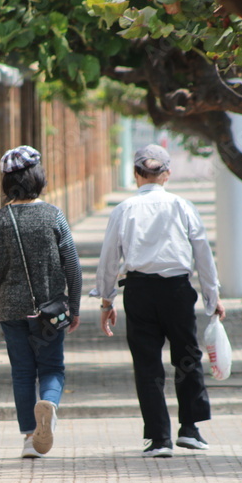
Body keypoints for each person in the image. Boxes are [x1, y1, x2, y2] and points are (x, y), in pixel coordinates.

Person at [94, 144, 226, 458]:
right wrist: (213, 297)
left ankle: (158, 438)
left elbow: (109, 258)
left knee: (147, 362)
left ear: (137, 174)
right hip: (177, 291)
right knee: (187, 357)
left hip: (138, 292)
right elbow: (203, 256)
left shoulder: (124, 209)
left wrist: (106, 300)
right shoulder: (183, 206)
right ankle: (190, 429)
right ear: (167, 174)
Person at [0, 145, 82, 458]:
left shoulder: (0, 219)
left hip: (12, 309)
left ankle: (28, 437)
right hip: (50, 310)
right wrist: (74, 307)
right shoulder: (54, 215)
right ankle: (48, 404)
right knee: (52, 366)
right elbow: (72, 265)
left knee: (22, 372)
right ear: (38, 176)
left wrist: (8, 276)